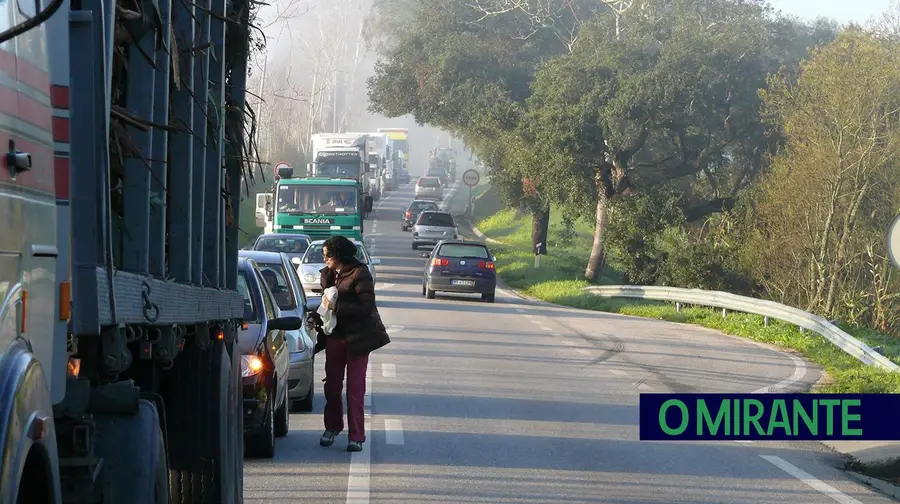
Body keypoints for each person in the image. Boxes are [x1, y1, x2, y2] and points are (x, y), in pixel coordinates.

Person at [310, 236, 390, 452]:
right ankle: (332, 427)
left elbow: (367, 307)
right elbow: (326, 305)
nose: (324, 259)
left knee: (355, 390)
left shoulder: (360, 272)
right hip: (335, 337)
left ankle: (356, 436)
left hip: (358, 339)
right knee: (332, 387)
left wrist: (337, 307)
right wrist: (316, 317)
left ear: (338, 255)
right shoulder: (327, 274)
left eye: (327, 255)